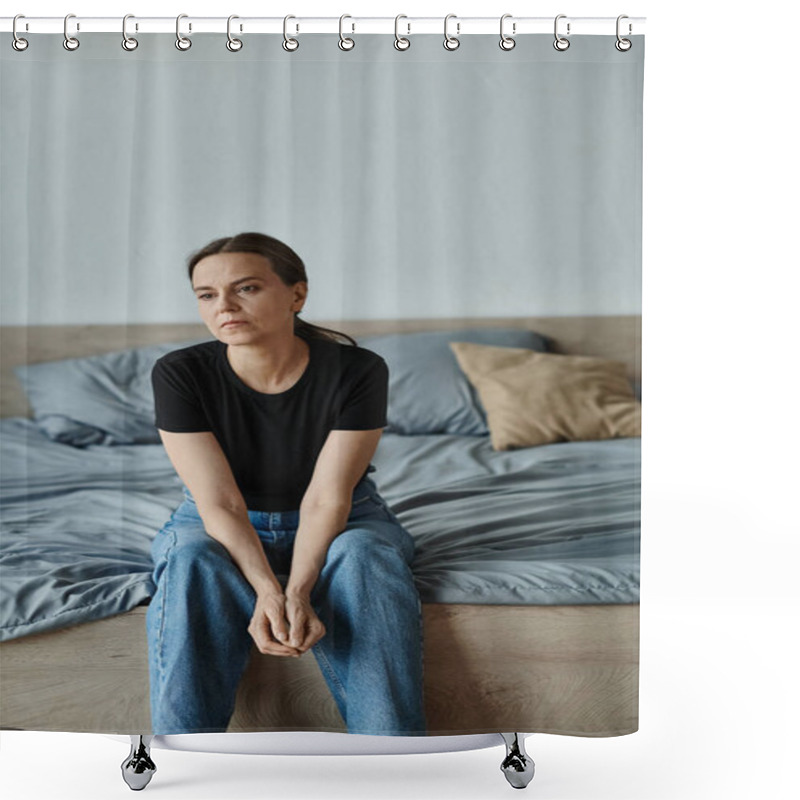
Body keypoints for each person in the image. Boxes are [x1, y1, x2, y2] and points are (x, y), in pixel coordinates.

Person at [145, 232, 426, 736]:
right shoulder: (180, 373)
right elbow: (219, 500)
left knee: (364, 555)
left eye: (246, 288)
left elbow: (328, 495)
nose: (223, 306)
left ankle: (393, 766)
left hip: (346, 515)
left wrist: (297, 589)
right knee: (190, 561)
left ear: (297, 294)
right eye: (206, 295)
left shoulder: (358, 370)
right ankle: (182, 765)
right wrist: (267, 592)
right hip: (218, 518)